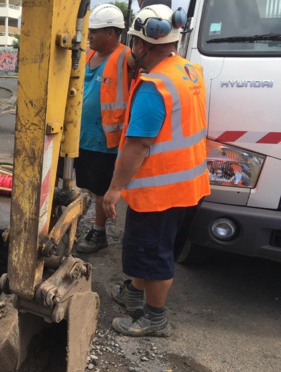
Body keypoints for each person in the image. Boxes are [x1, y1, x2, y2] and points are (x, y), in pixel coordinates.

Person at [102, 4, 210, 337]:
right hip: (187, 184)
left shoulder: (154, 86)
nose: (132, 50)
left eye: (134, 41)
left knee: (153, 253)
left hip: (160, 191)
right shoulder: (189, 71)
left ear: (142, 44)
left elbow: (137, 146)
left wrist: (114, 189)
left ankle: (155, 318)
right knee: (152, 248)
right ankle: (134, 293)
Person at [74, 4, 132, 254]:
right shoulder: (87, 54)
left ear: (111, 33)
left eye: (95, 31)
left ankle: (99, 233)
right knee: (82, 183)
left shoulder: (124, 57)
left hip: (105, 139)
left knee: (100, 189)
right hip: (79, 135)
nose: (90, 36)